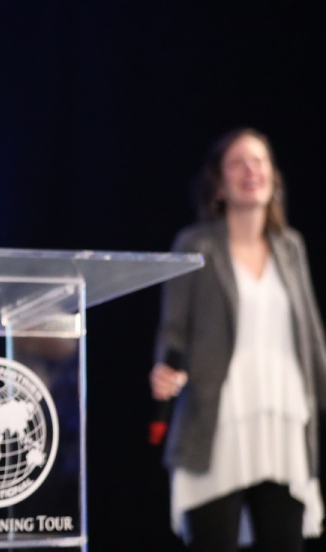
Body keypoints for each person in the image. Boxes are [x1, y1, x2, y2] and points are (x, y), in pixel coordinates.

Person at [151, 128, 326, 551]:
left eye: (259, 161)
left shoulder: (290, 247)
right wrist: (163, 370)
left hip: (282, 416)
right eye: (238, 163)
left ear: (273, 177)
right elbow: (173, 328)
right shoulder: (196, 244)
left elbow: (310, 333)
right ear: (219, 183)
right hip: (218, 419)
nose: (251, 170)